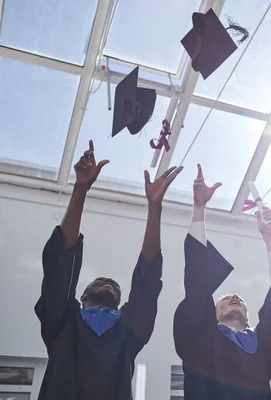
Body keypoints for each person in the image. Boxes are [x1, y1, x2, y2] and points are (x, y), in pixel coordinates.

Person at [35, 140, 182, 400]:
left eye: (114, 284)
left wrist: (155, 207)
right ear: (82, 297)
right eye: (101, 281)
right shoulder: (63, 321)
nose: (108, 282)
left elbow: (146, 284)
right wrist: (80, 188)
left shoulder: (128, 330)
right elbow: (60, 268)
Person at [173, 164, 271, 399]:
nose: (235, 297)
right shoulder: (201, 338)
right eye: (226, 300)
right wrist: (199, 208)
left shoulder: (261, 348)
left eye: (238, 300)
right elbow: (197, 283)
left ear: (249, 319)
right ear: (212, 315)